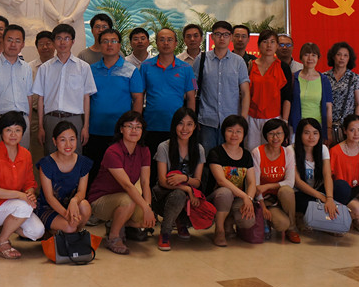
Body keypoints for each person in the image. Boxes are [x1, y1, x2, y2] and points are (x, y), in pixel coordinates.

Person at [87, 111, 155, 255]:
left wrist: (148, 208)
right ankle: (113, 237)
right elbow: (127, 186)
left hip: (125, 197)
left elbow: (145, 182)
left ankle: (116, 223)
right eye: (129, 126)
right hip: (101, 199)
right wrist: (145, 208)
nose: (134, 130)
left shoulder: (144, 151)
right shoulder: (113, 151)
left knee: (144, 220)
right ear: (121, 129)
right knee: (129, 200)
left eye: (138, 127)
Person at [0, 111, 44, 259]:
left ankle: (5, 227)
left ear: (23, 132)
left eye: (17, 130)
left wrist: (29, 194)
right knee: (24, 206)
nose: (13, 134)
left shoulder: (26, 154)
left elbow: (29, 183)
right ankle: (1, 242)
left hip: (14, 205)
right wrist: (21, 196)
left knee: (37, 231)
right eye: (8, 130)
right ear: (1, 132)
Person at [87, 28, 144, 184]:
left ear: (119, 45)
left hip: (121, 132)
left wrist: (135, 126)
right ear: (100, 45)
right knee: (95, 171)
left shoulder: (131, 70)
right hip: (95, 130)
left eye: (113, 41)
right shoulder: (91, 70)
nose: (109, 45)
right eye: (105, 41)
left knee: (119, 173)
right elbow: (86, 99)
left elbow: (137, 99)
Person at [33, 23, 97, 156]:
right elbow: (40, 98)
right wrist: (41, 127)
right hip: (51, 119)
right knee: (51, 157)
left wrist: (85, 127)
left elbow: (86, 98)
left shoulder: (83, 67)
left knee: (74, 156)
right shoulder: (45, 68)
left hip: (74, 119)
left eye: (67, 38)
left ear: (73, 41)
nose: (62, 42)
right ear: (54, 42)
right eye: (59, 38)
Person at [152, 108, 205, 251]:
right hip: (162, 196)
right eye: (180, 123)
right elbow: (162, 181)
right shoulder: (164, 147)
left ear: (195, 127)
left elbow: (197, 182)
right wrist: (187, 188)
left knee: (207, 215)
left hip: (188, 197)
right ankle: (165, 233)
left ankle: (181, 221)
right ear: (174, 125)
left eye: (189, 124)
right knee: (178, 195)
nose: (185, 129)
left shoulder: (199, 149)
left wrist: (184, 178)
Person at [193, 21, 250, 153]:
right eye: (218, 34)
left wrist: (242, 119)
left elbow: (245, 92)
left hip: (232, 122)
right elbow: (193, 88)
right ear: (212, 36)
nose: (222, 38)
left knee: (229, 158)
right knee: (207, 158)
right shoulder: (201, 59)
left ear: (231, 37)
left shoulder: (239, 62)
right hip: (206, 121)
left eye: (226, 34)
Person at [140, 28, 196, 156]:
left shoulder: (186, 68)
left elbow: (191, 98)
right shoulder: (146, 66)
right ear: (156, 43)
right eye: (162, 40)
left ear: (176, 43)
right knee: (152, 162)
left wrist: (191, 123)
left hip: (178, 127)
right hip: (151, 125)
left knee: (174, 162)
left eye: (170, 40)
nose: (166, 43)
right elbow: (139, 95)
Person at [0, 24, 34, 148]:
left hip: (22, 122)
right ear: (3, 41)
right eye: (9, 40)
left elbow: (29, 97)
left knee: (22, 158)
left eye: (17, 41)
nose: (13, 44)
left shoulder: (26, 68)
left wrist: (28, 122)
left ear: (23, 44)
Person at [205, 115, 257, 247]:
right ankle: (219, 230)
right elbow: (221, 181)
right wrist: (244, 196)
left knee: (248, 221)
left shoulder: (246, 155)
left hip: (238, 197)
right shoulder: (215, 152)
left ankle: (228, 221)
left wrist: (249, 199)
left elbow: (252, 182)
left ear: (244, 134)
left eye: (238, 131)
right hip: (217, 196)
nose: (234, 135)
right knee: (225, 193)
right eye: (230, 131)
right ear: (224, 132)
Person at [36, 121, 93, 234]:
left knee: (85, 206)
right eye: (63, 140)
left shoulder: (83, 162)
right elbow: (49, 198)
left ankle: (73, 235)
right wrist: (68, 216)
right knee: (70, 227)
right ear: (54, 141)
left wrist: (74, 201)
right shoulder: (46, 163)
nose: (68, 144)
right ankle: (57, 231)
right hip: (48, 207)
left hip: (71, 206)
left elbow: (81, 192)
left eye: (72, 139)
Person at [251, 119, 299, 243]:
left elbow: (290, 182)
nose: (275, 138)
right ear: (266, 135)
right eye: (271, 134)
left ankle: (292, 228)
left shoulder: (288, 152)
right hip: (263, 199)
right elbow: (256, 185)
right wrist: (263, 207)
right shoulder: (257, 152)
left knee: (287, 190)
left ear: (284, 135)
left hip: (280, 197)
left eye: (279, 133)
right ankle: (265, 218)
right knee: (282, 224)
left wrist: (267, 186)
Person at [290, 118, 343, 230]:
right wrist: (322, 198)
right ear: (299, 134)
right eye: (307, 133)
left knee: (342, 187)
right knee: (305, 202)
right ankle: (302, 216)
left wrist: (329, 198)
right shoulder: (291, 150)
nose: (311, 137)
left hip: (318, 189)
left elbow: (327, 175)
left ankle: (329, 220)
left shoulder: (323, 149)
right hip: (300, 193)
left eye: (315, 133)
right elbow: (297, 182)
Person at [329, 114, 359, 233]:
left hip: (357, 189)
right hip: (342, 193)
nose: (356, 134)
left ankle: (356, 219)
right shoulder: (335, 151)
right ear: (345, 131)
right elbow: (329, 177)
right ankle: (347, 219)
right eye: (352, 130)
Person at [247, 30, 292, 151]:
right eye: (265, 41)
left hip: (274, 118)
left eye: (272, 42)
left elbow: (287, 97)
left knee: (272, 151)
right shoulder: (250, 65)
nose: (268, 45)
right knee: (252, 151)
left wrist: (284, 121)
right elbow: (245, 94)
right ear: (258, 45)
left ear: (277, 46)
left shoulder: (283, 67)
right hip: (252, 117)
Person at [288, 42, 333, 143]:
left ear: (318, 58)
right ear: (301, 57)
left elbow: (328, 107)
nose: (310, 58)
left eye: (313, 55)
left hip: (317, 127)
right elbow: (288, 103)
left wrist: (329, 129)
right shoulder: (293, 78)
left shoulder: (324, 80)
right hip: (296, 127)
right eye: (306, 54)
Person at [323, 42, 359, 144]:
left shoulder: (354, 78)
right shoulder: (324, 77)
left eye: (345, 55)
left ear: (349, 58)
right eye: (339, 54)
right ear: (333, 56)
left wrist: (356, 125)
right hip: (327, 125)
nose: (342, 58)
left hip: (347, 127)